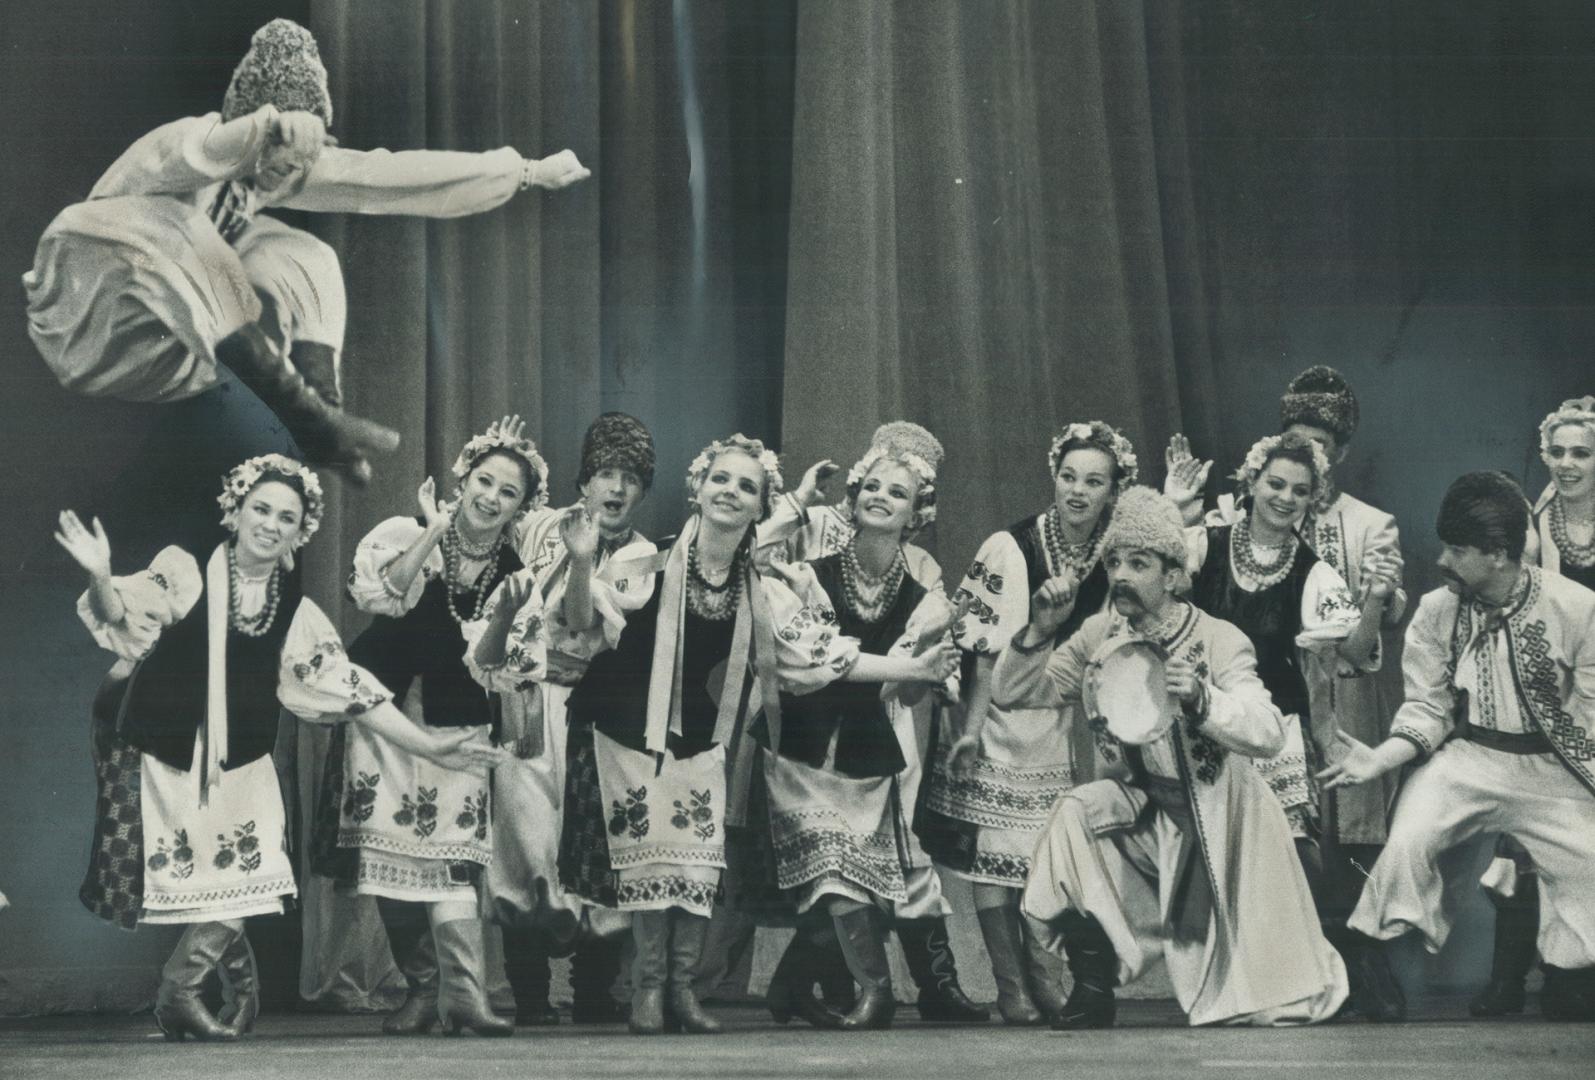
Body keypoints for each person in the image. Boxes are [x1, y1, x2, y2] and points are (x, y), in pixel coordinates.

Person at [515, 434, 954, 1035]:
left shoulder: (764, 584)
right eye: (721, 479)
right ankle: (648, 992)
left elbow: (828, 657)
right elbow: (579, 624)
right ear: (697, 489)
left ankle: (683, 993)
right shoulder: (648, 561)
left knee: (696, 866)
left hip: (699, 734)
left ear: (760, 507)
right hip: (623, 726)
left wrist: (916, 669)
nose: (731, 491)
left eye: (747, 486)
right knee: (648, 863)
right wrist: (586, 559)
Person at [23, 18, 589, 484]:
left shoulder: (287, 173)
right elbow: (213, 147)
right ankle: (304, 411)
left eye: (297, 167)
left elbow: (387, 176)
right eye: (279, 158)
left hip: (156, 345)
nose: (287, 177)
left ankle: (321, 413)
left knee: (303, 253)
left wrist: (526, 172)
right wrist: (270, 123)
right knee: (186, 230)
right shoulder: (187, 144)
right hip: (80, 300)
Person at [57, 454, 502, 1042]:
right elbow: (125, 617)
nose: (270, 524)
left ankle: (179, 994)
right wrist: (100, 572)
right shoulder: (186, 572)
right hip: (169, 750)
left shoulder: (294, 613)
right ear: (235, 512)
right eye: (260, 509)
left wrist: (430, 747)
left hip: (243, 757)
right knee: (206, 881)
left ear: (299, 533)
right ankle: (193, 994)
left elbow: (353, 694)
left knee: (261, 872)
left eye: (286, 518)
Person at [1000, 487, 1349, 1028]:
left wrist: (1206, 699)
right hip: (1146, 807)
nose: (1120, 575)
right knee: (1075, 814)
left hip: (1223, 817)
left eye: (1138, 563)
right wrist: (1039, 631)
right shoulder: (1099, 634)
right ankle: (1093, 987)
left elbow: (1265, 731)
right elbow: (1018, 693)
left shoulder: (1217, 638)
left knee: (1263, 1001)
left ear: (1173, 575)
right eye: (1114, 561)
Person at [1322, 471, 1595, 1023]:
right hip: (1469, 760)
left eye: (1457, 549)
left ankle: (1571, 973)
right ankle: (1367, 955)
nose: (1444, 559)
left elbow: (1591, 715)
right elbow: (1428, 705)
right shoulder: (1436, 610)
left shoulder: (1578, 608)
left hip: (1553, 768)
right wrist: (1380, 757)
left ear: (1498, 555)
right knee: (1409, 841)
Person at [316, 418, 545, 1036]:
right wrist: (434, 532)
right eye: (484, 480)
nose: (490, 497)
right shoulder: (408, 533)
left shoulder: (518, 575)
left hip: (459, 724)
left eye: (508, 492)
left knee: (450, 858)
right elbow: (379, 596)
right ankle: (423, 990)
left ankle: (464, 994)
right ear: (462, 479)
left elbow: (502, 668)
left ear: (522, 507)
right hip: (385, 719)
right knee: (388, 854)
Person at [756, 421, 987, 1024]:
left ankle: (809, 988)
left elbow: (914, 688)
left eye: (899, 493)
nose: (882, 498)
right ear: (854, 498)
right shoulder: (813, 569)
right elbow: (805, 659)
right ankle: (872, 992)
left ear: (917, 513)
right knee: (832, 863)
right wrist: (795, 503)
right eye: (873, 487)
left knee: (876, 867)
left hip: (870, 745)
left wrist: (928, 670)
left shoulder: (924, 591)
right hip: (804, 746)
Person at [919, 421, 1138, 1024]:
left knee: (1043, 856)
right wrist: (971, 725)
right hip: (994, 715)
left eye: (1093, 481)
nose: (1077, 490)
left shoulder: (1114, 557)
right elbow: (983, 648)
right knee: (991, 854)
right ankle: (1011, 983)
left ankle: (1045, 975)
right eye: (1069, 476)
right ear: (1054, 477)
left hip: (1059, 725)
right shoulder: (1011, 547)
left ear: (1112, 490)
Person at [467, 413, 659, 1025]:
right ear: (584, 479)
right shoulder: (539, 524)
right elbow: (480, 529)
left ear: (642, 491)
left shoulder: (638, 555)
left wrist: (581, 565)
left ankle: (595, 990)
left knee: (593, 841)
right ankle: (526, 992)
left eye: (631, 477)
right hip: (525, 702)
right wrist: (500, 454)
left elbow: (581, 626)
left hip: (589, 710)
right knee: (522, 841)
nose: (617, 487)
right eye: (606, 471)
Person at [1469, 396, 1595, 1017]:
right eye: (1557, 452)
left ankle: (1577, 975)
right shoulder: (1533, 521)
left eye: (1582, 453)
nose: (1567, 464)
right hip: (1552, 690)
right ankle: (1509, 978)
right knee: (1524, 833)